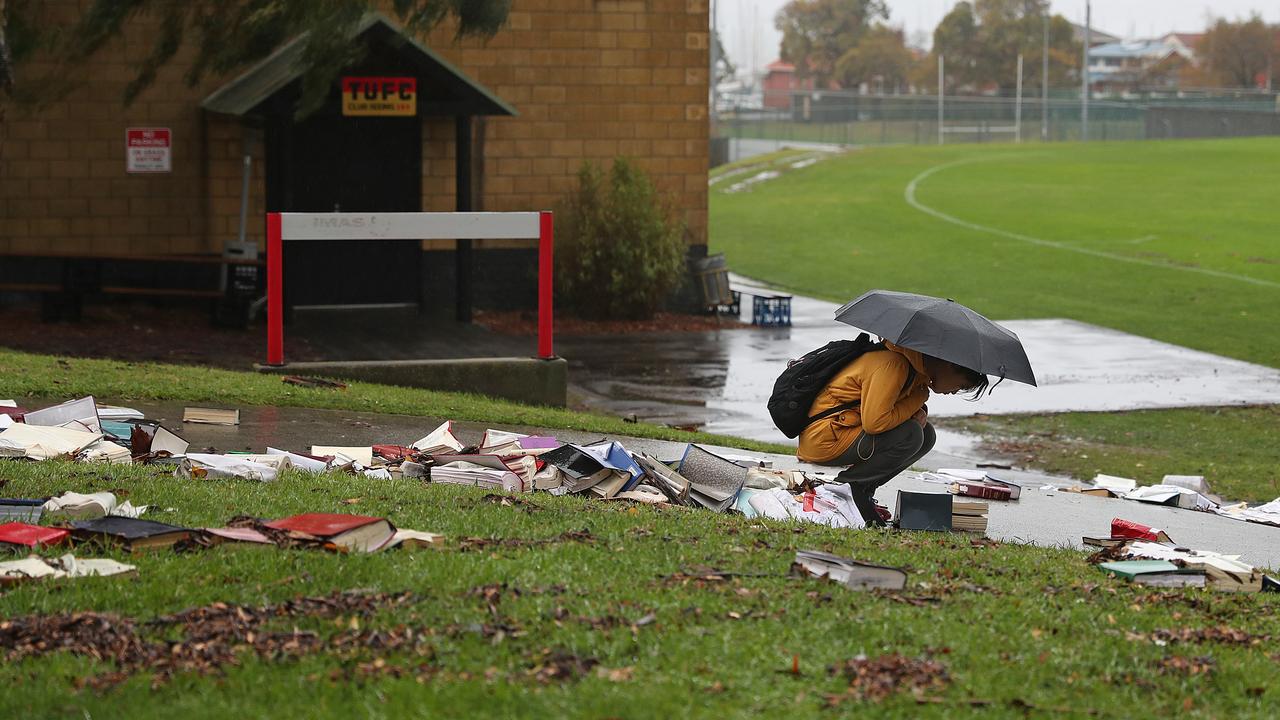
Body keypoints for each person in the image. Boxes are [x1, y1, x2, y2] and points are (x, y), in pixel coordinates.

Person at [797, 340, 989, 526]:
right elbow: (875, 423)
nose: (955, 392)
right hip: (824, 439)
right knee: (911, 433)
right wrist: (918, 398)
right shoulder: (893, 364)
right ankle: (846, 488)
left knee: (926, 435)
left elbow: (893, 410)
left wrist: (917, 406)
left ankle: (863, 490)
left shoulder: (915, 369)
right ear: (949, 364)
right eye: (961, 385)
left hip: (843, 430)